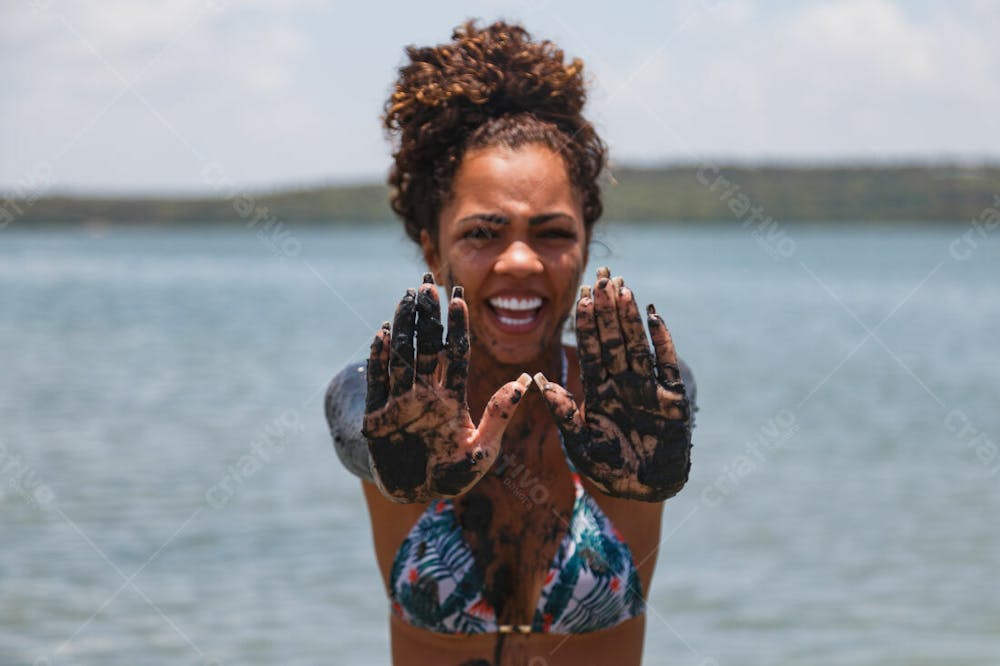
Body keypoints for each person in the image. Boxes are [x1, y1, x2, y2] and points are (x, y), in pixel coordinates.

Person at [325, 19, 697, 666]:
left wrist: (670, 457)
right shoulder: (395, 405)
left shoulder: (634, 407)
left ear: (586, 244)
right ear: (431, 246)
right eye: (482, 234)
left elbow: (678, 402)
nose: (520, 261)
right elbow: (355, 424)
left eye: (551, 233)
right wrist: (392, 461)